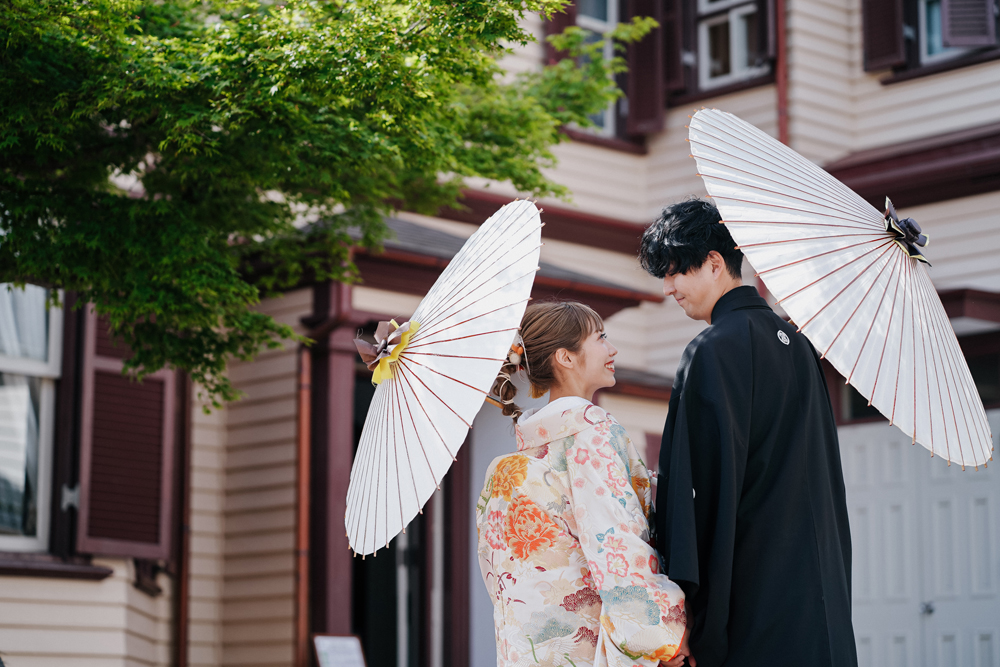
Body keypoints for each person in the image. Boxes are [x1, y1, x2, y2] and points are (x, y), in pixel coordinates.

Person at [639, 198, 858, 667]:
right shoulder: (798, 347)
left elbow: (699, 494)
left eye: (677, 271)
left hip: (753, 602)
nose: (669, 288)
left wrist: (692, 614)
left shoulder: (713, 350)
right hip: (819, 598)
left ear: (715, 263)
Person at [475, 301, 689, 667]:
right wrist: (664, 636)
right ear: (565, 357)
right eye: (601, 337)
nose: (613, 348)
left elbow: (499, 579)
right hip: (585, 651)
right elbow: (617, 546)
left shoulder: (506, 468)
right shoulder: (591, 436)